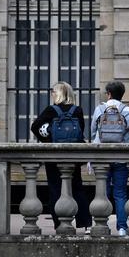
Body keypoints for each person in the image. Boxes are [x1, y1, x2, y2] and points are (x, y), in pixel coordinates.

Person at [31, 82, 90, 232]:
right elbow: (80, 131)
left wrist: (48, 140)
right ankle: (85, 223)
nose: (51, 94)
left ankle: (59, 224)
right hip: (73, 155)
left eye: (53, 92)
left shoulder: (51, 110)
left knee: (55, 189)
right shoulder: (77, 110)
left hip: (54, 156)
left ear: (58, 94)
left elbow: (35, 126)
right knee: (77, 188)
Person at [91, 80, 129, 237]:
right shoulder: (128, 111)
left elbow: (93, 133)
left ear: (108, 93)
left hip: (101, 158)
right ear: (122, 94)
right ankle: (122, 228)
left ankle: (101, 224)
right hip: (121, 157)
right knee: (120, 194)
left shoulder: (100, 109)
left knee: (103, 192)